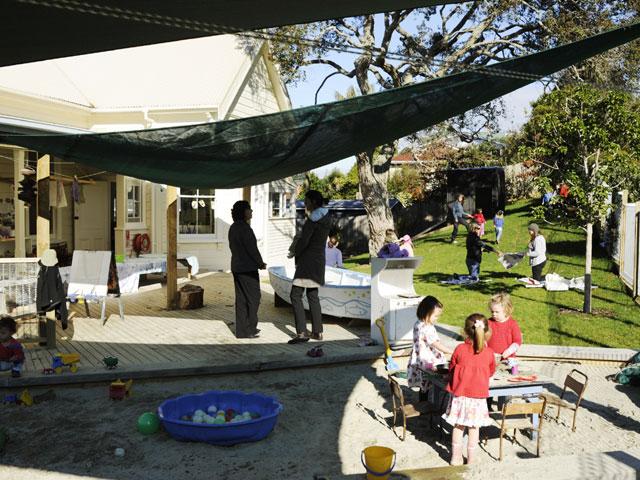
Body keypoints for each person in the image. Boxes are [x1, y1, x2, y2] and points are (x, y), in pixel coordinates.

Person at [442, 314, 495, 466]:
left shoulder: (459, 349)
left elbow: (451, 368)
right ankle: (471, 460)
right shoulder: (489, 353)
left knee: (458, 426)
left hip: (460, 396)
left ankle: (456, 458)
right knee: (474, 428)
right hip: (478, 398)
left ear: (465, 332)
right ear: (486, 332)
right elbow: (491, 371)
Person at [288, 190, 332, 344]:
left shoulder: (313, 220)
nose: (305, 203)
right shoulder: (326, 217)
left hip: (307, 262)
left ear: (313, 201)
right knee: (313, 295)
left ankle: (301, 333)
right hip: (319, 261)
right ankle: (317, 332)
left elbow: (304, 241)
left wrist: (294, 252)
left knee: (295, 295)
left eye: (306, 201)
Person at [228, 200, 266, 339]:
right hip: (247, 269)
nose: (251, 212)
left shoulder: (233, 227)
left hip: (237, 267)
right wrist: (261, 263)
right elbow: (252, 250)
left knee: (241, 299)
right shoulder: (245, 229)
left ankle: (242, 331)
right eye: (249, 209)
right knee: (254, 298)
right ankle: (249, 329)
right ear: (243, 212)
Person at [407, 296, 453, 400]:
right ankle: (433, 400)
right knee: (436, 377)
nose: (437, 319)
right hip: (428, 359)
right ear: (426, 312)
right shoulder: (428, 328)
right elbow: (436, 344)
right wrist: (451, 351)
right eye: (435, 316)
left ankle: (423, 398)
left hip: (419, 357)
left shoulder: (418, 323)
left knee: (424, 381)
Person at [487, 292, 522, 360]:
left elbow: (517, 341)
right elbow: (482, 339)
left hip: (508, 358)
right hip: (491, 357)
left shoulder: (512, 324)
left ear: (506, 311)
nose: (494, 314)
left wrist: (509, 351)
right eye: (492, 311)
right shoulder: (489, 323)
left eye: (497, 312)